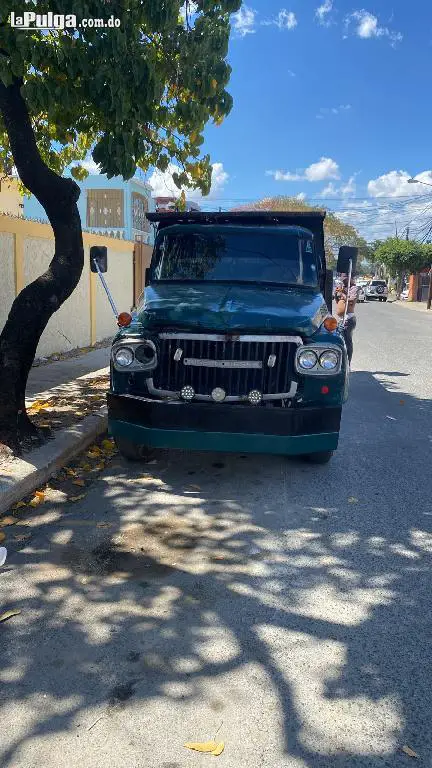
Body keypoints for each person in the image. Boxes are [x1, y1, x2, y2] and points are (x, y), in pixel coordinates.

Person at [335, 275, 358, 365]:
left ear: (351, 278)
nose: (343, 281)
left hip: (348, 318)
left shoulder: (354, 288)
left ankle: (347, 363)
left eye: (345, 279)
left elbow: (351, 301)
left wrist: (342, 294)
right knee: (340, 340)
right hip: (341, 319)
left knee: (347, 342)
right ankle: (340, 362)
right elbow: (338, 301)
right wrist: (337, 293)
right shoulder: (343, 288)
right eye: (342, 279)